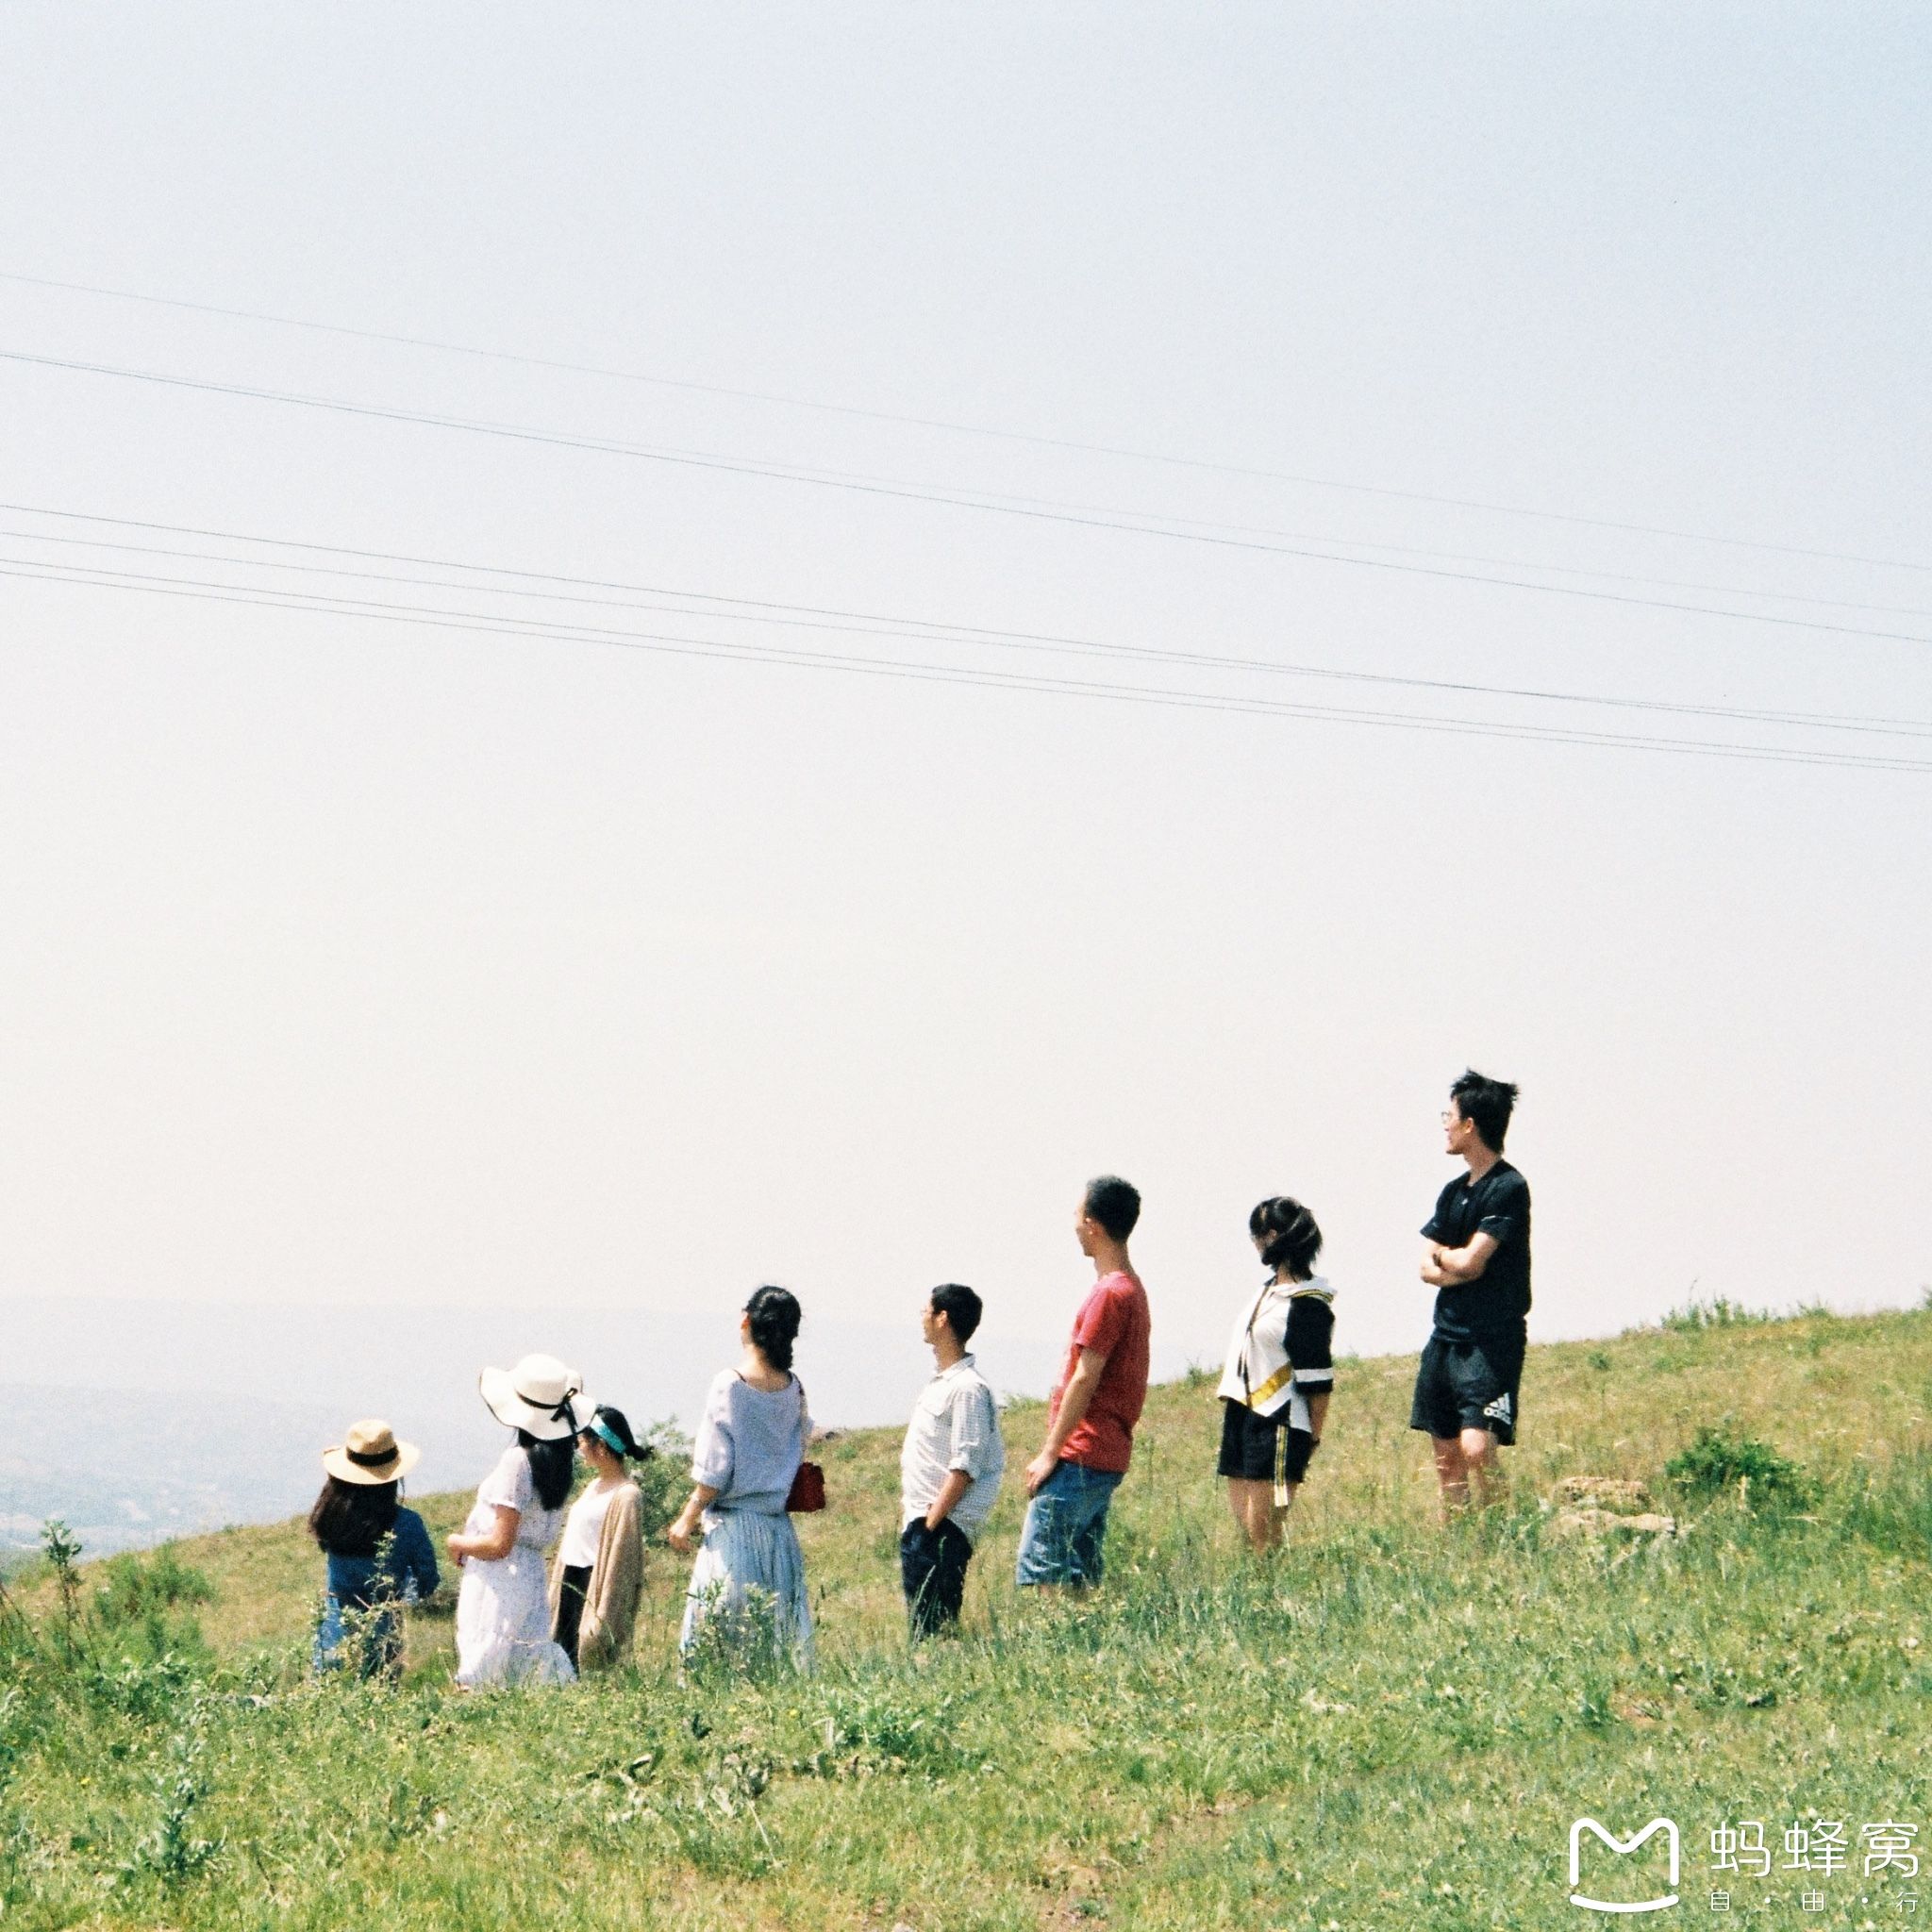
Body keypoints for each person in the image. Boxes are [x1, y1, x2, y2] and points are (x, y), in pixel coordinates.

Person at [1015, 1175, 1151, 1592]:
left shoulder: (1110, 1294)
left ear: (1093, 1225)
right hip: (1105, 1453)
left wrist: (1050, 1453)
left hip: (1081, 1451)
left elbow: (1085, 1375)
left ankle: (1049, 1651)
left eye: (1077, 1215)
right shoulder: (1132, 1289)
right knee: (1080, 1571)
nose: (1074, 1224)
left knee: (1044, 1570)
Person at [666, 1287, 814, 1667]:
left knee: (720, 1649)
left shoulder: (730, 1385)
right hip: (779, 1535)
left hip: (735, 1532)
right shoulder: (794, 1388)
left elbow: (716, 1467)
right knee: (779, 1650)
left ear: (747, 1322)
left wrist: (686, 1518)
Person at [1411, 1069, 1532, 1517]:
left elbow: (1472, 1262)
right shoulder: (1451, 1192)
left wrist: (1451, 1261)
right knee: (1447, 1458)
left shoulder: (1509, 1187)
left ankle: (1504, 1523)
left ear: (1470, 1125)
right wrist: (1452, 1263)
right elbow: (1428, 1266)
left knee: (1477, 1448)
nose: (1444, 1123)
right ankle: (1460, 1544)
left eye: (1450, 1115)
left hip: (1490, 1338)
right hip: (1445, 1336)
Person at [447, 1353, 584, 1687]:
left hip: (499, 1578)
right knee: (523, 1656)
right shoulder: (558, 1463)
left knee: (485, 1660)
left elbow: (499, 1543)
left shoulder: (517, 1461)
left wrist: (457, 1542)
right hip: (530, 1573)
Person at [1215, 1198, 1335, 1553]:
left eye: (1257, 1236)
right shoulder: (1267, 1291)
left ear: (1271, 1237)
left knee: (1263, 1537)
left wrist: (1312, 1439)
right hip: (1242, 1414)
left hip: (1280, 1421)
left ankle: (1272, 1597)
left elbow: (1319, 1383)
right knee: (1246, 1531)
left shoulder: (1308, 1304)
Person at [899, 1282, 1005, 1637]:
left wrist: (930, 1527)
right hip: (925, 1522)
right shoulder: (944, 1383)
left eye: (927, 1311)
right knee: (923, 1626)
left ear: (943, 1319)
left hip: (942, 1527)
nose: (922, 1318)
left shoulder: (968, 1389)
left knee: (934, 1629)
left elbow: (965, 1467)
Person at [308, 1419, 440, 1677]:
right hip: (382, 1639)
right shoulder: (408, 1524)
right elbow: (428, 1581)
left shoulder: (330, 1516)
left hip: (331, 1635)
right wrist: (404, 1588)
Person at [549, 1404, 650, 1673]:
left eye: (582, 1441)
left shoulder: (627, 1495)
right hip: (570, 1581)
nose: (578, 1448)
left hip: (594, 1584)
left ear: (601, 1446)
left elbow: (623, 1563)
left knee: (588, 1659)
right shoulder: (593, 1486)